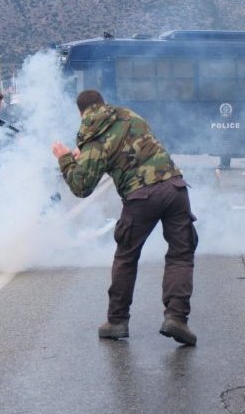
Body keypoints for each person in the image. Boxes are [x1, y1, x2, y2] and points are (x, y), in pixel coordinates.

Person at [53, 89, 198, 346]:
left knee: (126, 257)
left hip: (141, 196)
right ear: (102, 103)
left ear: (80, 112)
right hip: (175, 187)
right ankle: (177, 317)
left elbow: (81, 187)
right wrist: (83, 152)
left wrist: (65, 158)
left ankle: (117, 321)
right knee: (181, 255)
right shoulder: (129, 114)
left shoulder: (93, 138)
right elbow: (123, 142)